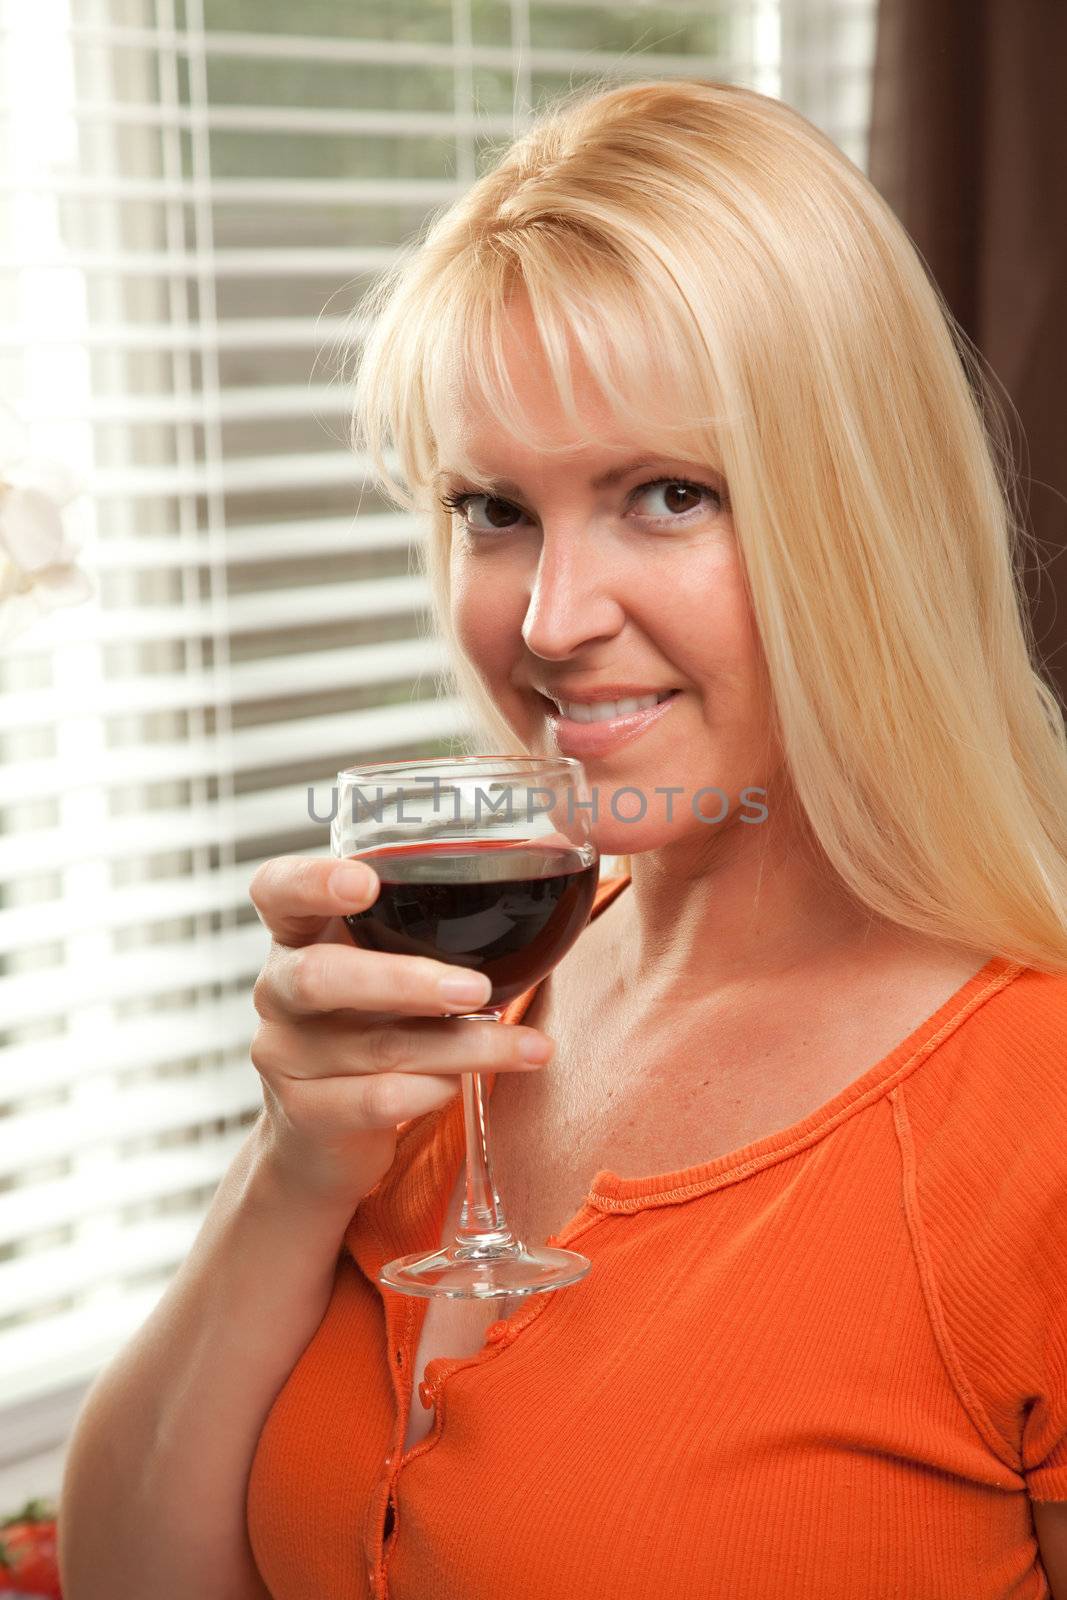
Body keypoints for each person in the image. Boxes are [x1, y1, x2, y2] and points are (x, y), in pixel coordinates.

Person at [58, 77, 1067, 1600]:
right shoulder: (450, 1006)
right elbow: (143, 1576)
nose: (549, 620)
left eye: (668, 495)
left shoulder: (1033, 1116)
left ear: (859, 518)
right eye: (493, 508)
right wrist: (295, 1167)